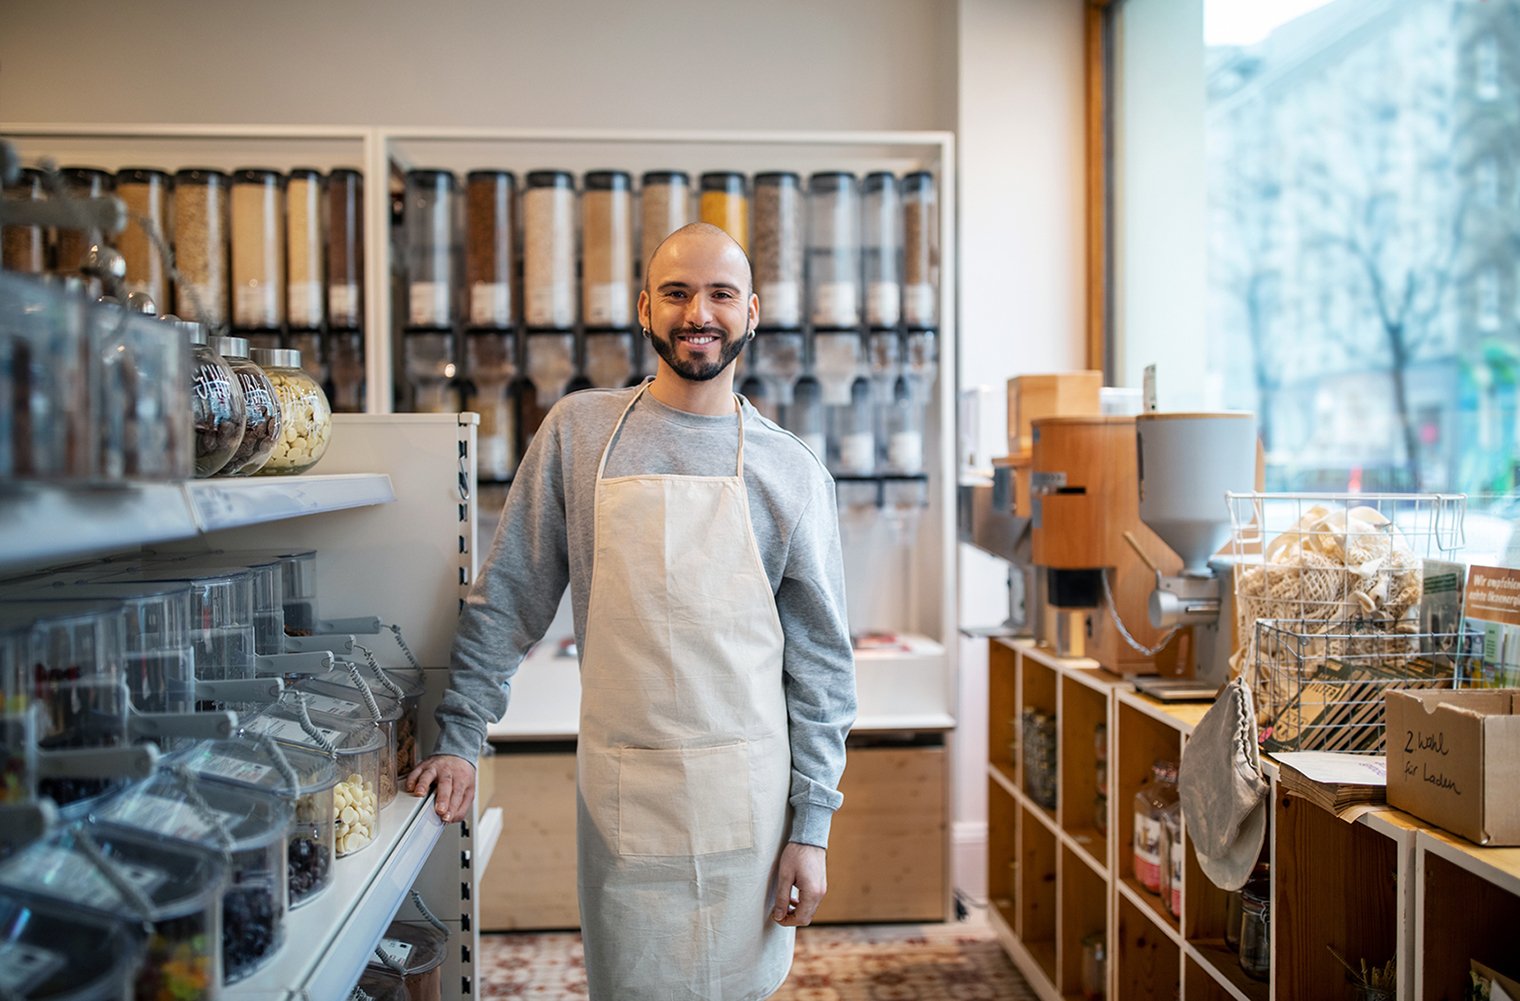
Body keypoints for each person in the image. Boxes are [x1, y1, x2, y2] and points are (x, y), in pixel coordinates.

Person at [407, 222, 857, 1001]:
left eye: (720, 294)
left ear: (752, 310)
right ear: (646, 306)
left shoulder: (790, 470)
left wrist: (810, 828)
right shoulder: (580, 434)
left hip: (747, 810)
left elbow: (821, 667)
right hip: (624, 802)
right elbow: (507, 595)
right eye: (678, 293)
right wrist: (459, 736)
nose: (699, 313)